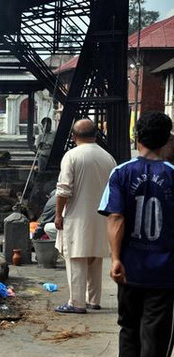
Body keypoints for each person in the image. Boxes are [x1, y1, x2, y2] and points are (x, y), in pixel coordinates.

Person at [98, 111, 174, 357]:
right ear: (167, 140)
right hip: (165, 273)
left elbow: (115, 217)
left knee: (128, 327)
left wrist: (116, 259)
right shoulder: (173, 174)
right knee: (156, 337)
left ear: (136, 138)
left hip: (129, 269)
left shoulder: (121, 172)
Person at [54, 119, 117, 314]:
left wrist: (58, 215)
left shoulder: (71, 156)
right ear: (96, 135)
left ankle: (76, 302)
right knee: (95, 258)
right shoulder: (109, 158)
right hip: (102, 217)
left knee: (76, 258)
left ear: (73, 137)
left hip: (77, 216)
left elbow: (63, 190)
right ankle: (93, 300)